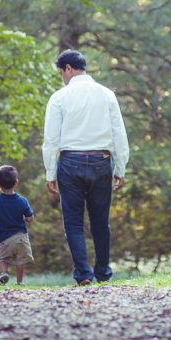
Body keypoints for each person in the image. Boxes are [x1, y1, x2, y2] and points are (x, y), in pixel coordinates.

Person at [42, 49, 129, 285]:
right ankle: (103, 272)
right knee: (101, 221)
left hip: (70, 162)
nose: (62, 77)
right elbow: (119, 133)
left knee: (73, 221)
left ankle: (83, 274)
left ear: (68, 69)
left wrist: (50, 171)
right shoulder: (107, 94)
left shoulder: (59, 97)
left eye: (61, 72)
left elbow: (51, 139)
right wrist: (120, 167)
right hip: (102, 161)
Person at [0, 164, 35, 285]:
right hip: (21, 237)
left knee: (3, 259)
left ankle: (4, 273)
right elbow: (30, 218)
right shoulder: (22, 201)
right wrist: (28, 218)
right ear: (16, 182)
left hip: (4, 238)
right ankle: (20, 282)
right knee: (20, 261)